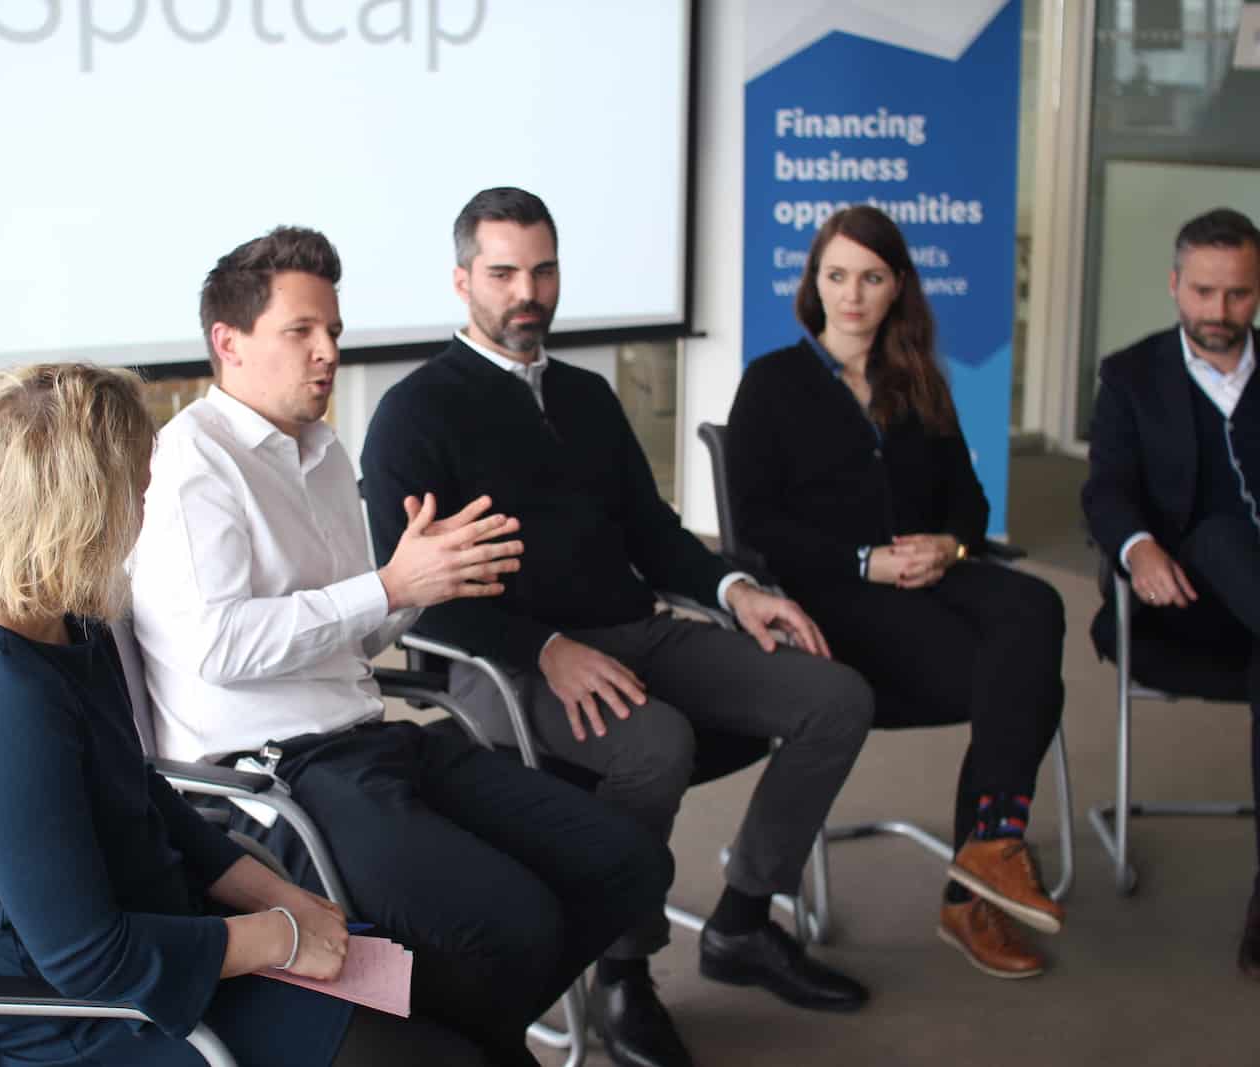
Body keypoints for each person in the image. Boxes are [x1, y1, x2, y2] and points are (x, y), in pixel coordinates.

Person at [128, 227, 673, 1067]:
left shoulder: (320, 449)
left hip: (369, 738)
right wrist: (388, 585)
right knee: (516, 923)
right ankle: (464, 1041)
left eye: (333, 331)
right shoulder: (194, 463)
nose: (327, 352)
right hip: (274, 776)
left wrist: (422, 583)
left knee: (629, 864)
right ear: (228, 343)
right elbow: (219, 647)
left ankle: (459, 1039)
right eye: (300, 331)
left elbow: (353, 629)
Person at [360, 187, 875, 1067]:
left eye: (544, 270)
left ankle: (743, 920)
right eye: (503, 273)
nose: (528, 291)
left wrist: (735, 589)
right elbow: (417, 597)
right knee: (656, 744)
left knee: (836, 697)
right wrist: (545, 649)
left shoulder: (587, 395)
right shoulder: (416, 412)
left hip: (634, 629)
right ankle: (624, 972)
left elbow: (654, 534)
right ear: (461, 281)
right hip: (502, 662)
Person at [0, 363, 488, 1066]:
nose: (145, 519)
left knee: (466, 991)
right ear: (80, 517)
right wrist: (279, 936)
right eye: (139, 496)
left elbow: (139, 790)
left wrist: (277, 896)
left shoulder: (57, 618)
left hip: (178, 936)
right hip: (103, 1021)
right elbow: (88, 959)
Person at [726, 205, 1068, 980]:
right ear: (815, 284)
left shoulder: (918, 381)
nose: (852, 295)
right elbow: (756, 528)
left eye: (872, 277)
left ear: (898, 287)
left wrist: (949, 546)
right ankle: (974, 888)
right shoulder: (772, 383)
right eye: (837, 275)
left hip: (932, 578)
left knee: (1038, 604)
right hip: (835, 598)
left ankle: (989, 849)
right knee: (1029, 684)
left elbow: (970, 505)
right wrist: (863, 561)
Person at [1082, 206, 1260, 979]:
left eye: (1238, 294)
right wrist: (1139, 546)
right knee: (1219, 534)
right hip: (1180, 605)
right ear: (1175, 284)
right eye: (1203, 292)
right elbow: (1104, 489)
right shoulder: (1131, 374)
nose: (1219, 312)